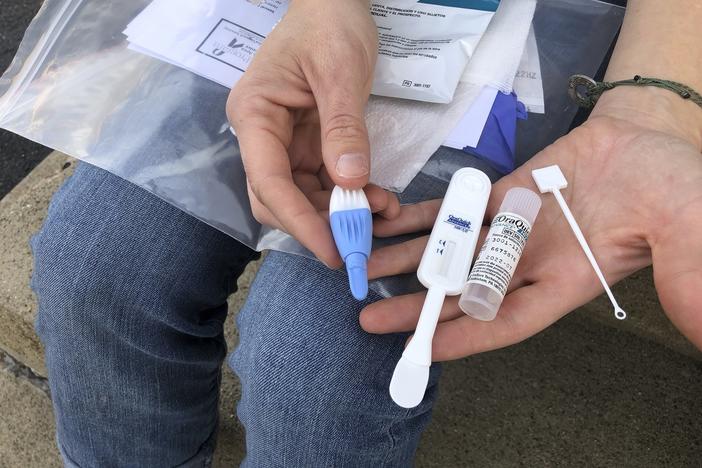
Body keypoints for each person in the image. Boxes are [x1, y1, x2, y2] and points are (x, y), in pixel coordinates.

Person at [31, 0, 701, 466]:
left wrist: (655, 113)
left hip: (545, 31)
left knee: (316, 364)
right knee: (93, 262)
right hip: (317, 17)